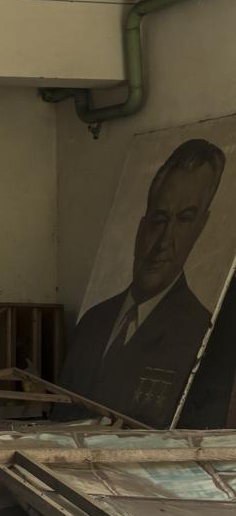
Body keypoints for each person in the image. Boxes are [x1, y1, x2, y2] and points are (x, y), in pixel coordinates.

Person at [59, 138, 226, 427]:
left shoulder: (201, 335)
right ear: (141, 226)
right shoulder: (93, 321)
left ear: (200, 228)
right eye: (160, 219)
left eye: (185, 220)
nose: (165, 242)